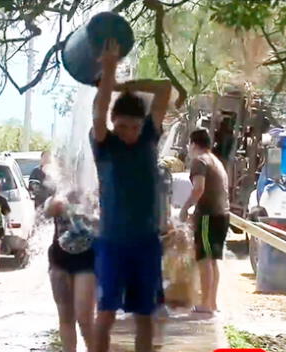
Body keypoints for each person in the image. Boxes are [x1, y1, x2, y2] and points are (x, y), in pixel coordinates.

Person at [90, 39, 174, 352]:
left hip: (146, 243)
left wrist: (124, 86)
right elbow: (99, 115)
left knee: (144, 316)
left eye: (134, 127)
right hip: (112, 243)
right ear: (114, 124)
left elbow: (164, 88)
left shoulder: (149, 138)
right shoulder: (104, 144)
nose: (128, 133)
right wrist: (108, 75)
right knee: (106, 313)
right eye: (122, 126)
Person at [179, 129, 229, 315]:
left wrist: (186, 208)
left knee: (204, 259)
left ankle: (205, 304)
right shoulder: (215, 161)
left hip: (209, 215)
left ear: (193, 143)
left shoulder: (200, 161)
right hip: (222, 214)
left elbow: (198, 189)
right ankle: (212, 303)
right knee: (213, 259)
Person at [45, 191, 96, 352]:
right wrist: (55, 203)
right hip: (59, 260)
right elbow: (48, 212)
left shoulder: (94, 189)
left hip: (88, 260)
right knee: (66, 317)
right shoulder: (61, 192)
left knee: (84, 318)